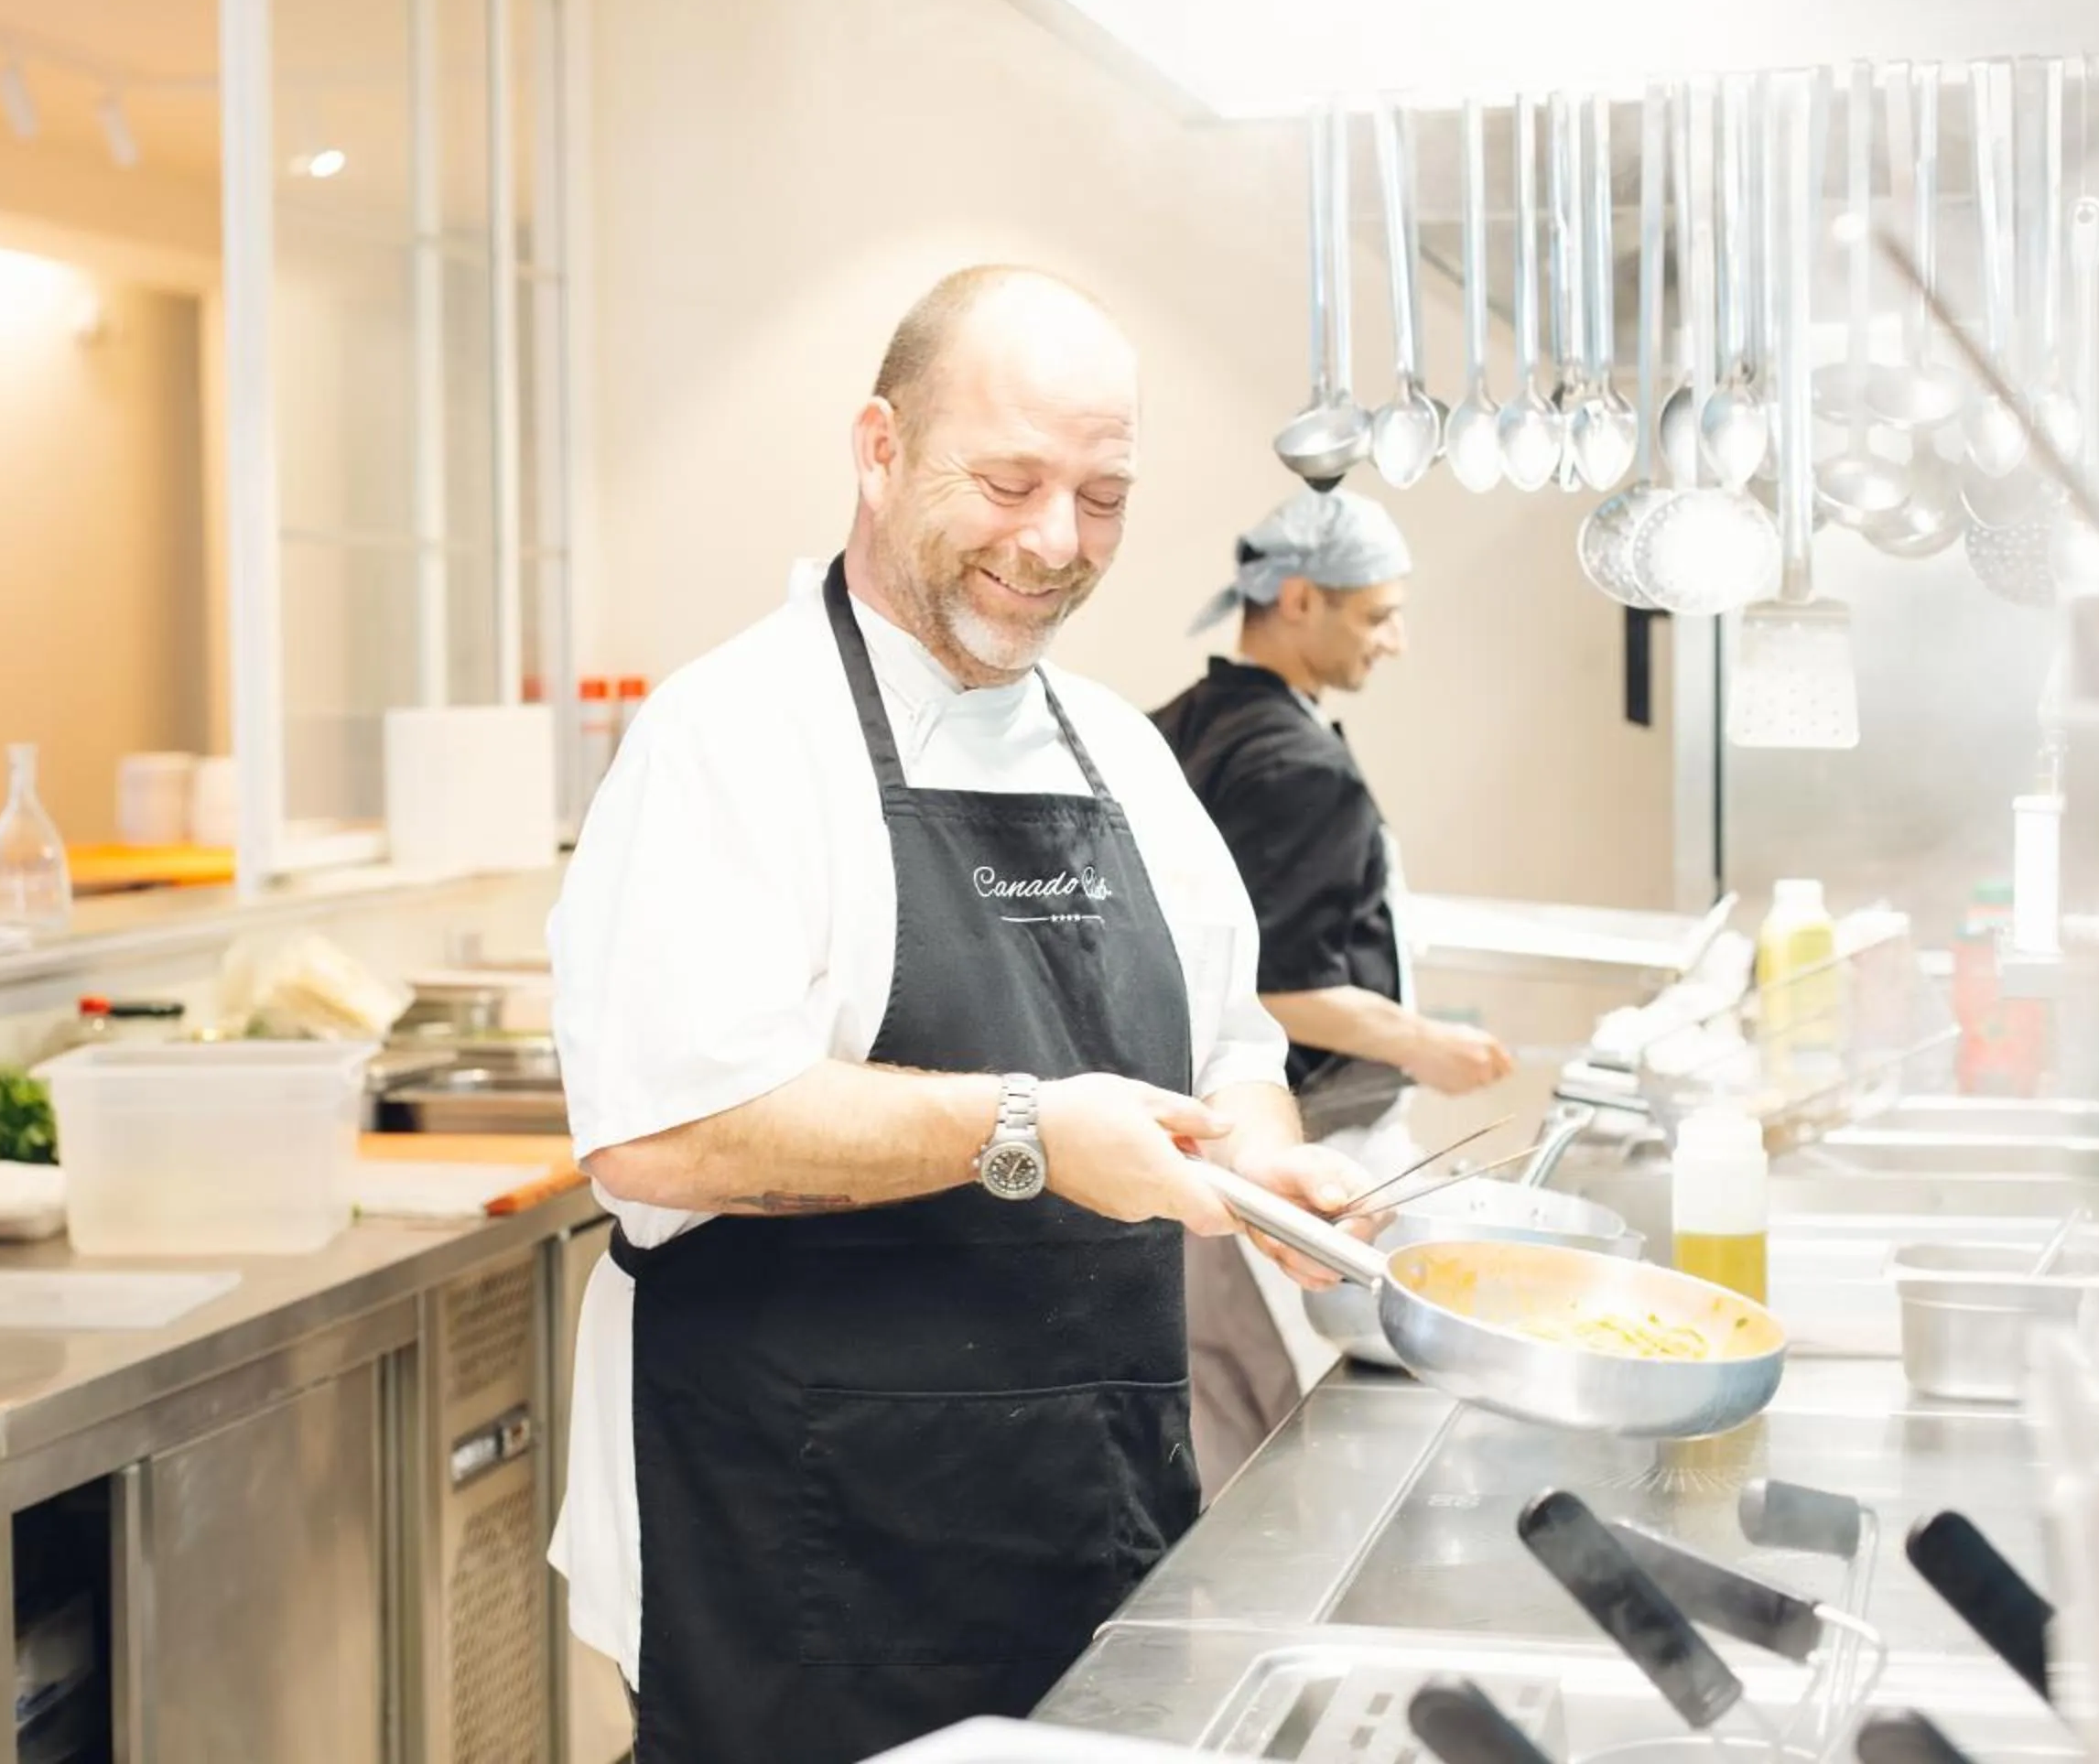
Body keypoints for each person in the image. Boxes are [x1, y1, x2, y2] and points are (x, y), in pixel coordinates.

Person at [546, 265, 1374, 1764]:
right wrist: (1026, 1134)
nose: (1055, 543)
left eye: (1102, 496)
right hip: (793, 1555)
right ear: (879, 451)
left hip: (1089, 1533)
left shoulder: (1120, 751)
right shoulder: (731, 741)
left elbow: (1234, 1046)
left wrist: (1264, 1161)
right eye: (1007, 483)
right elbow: (661, 1135)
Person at [1152, 488, 1515, 1457]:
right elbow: (1276, 986)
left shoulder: (1183, 726)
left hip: (1194, 1143)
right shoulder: (1295, 763)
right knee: (1293, 1439)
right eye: (1380, 614)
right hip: (1292, 1153)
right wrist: (1427, 1045)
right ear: (1302, 599)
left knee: (1217, 1413)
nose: (1394, 641)